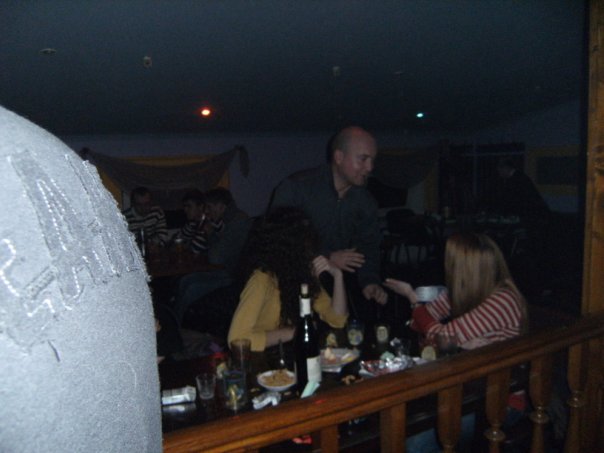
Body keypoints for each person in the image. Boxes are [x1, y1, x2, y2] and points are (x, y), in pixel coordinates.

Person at [384, 232, 528, 452]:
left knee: (415, 444)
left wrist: (413, 299)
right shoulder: (466, 290)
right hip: (470, 390)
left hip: (501, 401)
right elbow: (417, 325)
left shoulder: (503, 299)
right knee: (399, 426)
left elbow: (441, 336)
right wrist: (431, 326)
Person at [270, 126, 387, 311]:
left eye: (372, 160)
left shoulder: (365, 201)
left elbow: (369, 245)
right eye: (363, 159)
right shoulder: (297, 187)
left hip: (337, 284)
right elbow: (277, 237)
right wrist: (327, 256)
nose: (370, 167)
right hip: (291, 282)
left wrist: (370, 281)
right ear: (339, 157)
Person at [228, 207, 348, 352]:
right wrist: (296, 331)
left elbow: (338, 320)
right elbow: (236, 339)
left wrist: (338, 276)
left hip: (291, 353)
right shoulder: (262, 279)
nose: (309, 248)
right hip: (262, 358)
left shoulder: (301, 274)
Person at [174, 188, 252, 325]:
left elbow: (215, 258)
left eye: (209, 207)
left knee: (192, 288)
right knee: (186, 280)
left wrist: (210, 234)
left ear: (221, 206)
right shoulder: (225, 220)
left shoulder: (238, 222)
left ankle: (178, 326)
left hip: (234, 275)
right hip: (224, 270)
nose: (207, 211)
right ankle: (176, 322)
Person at [177, 189, 223, 254]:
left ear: (200, 206)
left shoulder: (212, 223)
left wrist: (186, 244)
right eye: (184, 206)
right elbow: (178, 240)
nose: (185, 210)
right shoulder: (192, 223)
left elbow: (195, 250)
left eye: (189, 206)